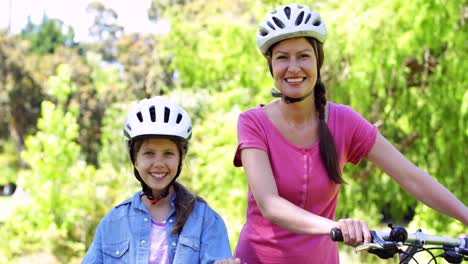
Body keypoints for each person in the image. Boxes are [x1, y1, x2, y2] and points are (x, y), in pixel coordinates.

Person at [233, 3, 468, 263]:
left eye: (303, 56)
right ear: (270, 63)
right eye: (282, 57)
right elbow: (270, 204)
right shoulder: (252, 122)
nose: (293, 67)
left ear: (318, 59)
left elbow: (411, 176)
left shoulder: (344, 121)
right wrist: (336, 227)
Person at [83, 96, 240, 264]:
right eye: (149, 153)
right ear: (134, 157)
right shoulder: (112, 223)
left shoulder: (206, 221)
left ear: (182, 156)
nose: (158, 164)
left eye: (168, 153)